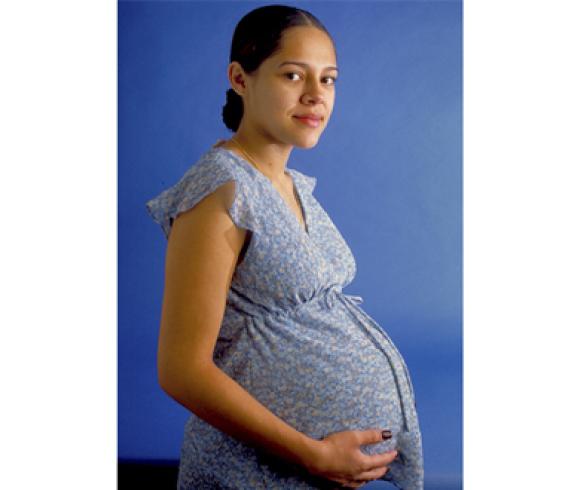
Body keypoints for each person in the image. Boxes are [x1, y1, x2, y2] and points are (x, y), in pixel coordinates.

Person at [145, 5, 423, 489]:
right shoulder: (221, 189)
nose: (316, 95)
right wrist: (315, 455)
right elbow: (181, 370)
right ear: (240, 78)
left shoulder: (291, 185)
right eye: (293, 75)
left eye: (328, 79)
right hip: (251, 475)